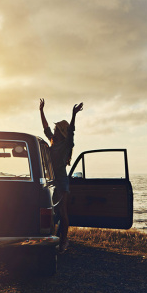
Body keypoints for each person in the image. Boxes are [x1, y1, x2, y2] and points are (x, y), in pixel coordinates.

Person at [39, 98, 83, 253]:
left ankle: (64, 239)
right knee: (50, 212)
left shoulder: (65, 145)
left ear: (62, 133)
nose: (55, 131)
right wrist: (41, 110)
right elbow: (45, 128)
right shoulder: (52, 141)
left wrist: (74, 115)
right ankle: (52, 237)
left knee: (63, 212)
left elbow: (71, 132)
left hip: (62, 182)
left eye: (58, 129)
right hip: (50, 181)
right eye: (55, 129)